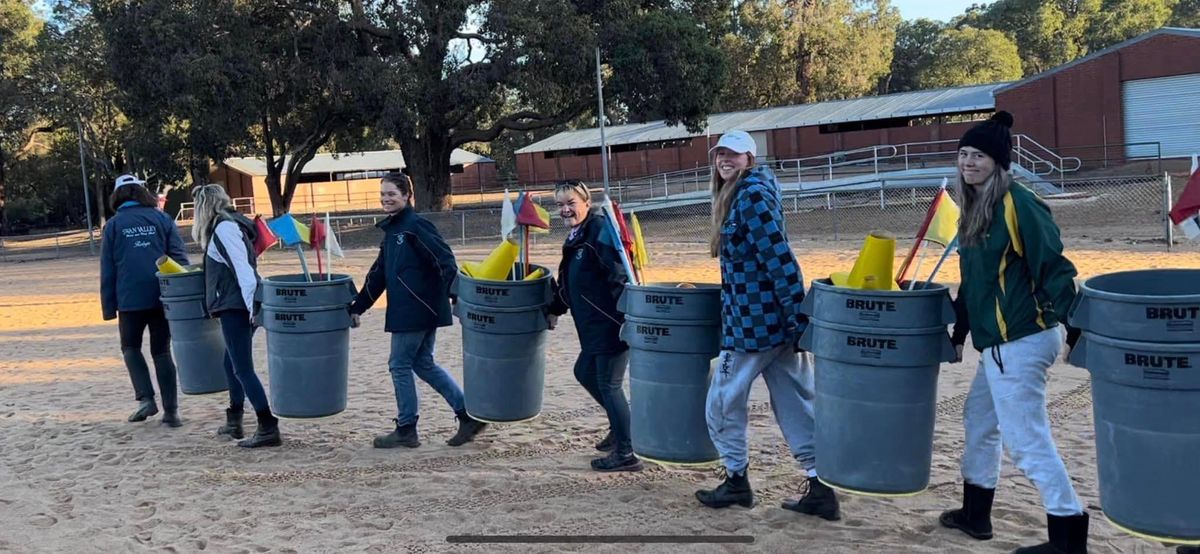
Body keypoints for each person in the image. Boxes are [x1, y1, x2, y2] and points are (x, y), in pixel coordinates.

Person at [940, 111, 1088, 553]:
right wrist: (961, 330)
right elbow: (975, 281)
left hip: (1020, 341)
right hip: (998, 344)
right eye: (964, 154)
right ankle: (975, 514)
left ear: (999, 162)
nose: (969, 163)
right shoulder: (974, 206)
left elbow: (1053, 266)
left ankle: (1068, 534)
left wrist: (1077, 323)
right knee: (980, 419)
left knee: (1026, 440)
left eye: (979, 156)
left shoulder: (1019, 203)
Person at [694, 130, 839, 521]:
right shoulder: (747, 192)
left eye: (734, 155)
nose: (725, 160)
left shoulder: (752, 196)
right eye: (721, 154)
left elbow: (780, 259)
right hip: (770, 323)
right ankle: (820, 485)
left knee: (722, 402)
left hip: (753, 326)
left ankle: (737, 481)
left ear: (749, 160)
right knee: (796, 403)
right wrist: (793, 321)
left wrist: (797, 316)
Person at [348, 173, 487, 448]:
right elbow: (379, 274)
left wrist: (456, 294)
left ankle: (406, 428)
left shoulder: (415, 226)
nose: (386, 199)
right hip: (409, 308)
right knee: (423, 363)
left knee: (399, 364)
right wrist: (359, 306)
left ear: (406, 196)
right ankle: (467, 415)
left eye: (392, 194)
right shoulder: (393, 231)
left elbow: (444, 258)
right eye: (383, 194)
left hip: (418, 308)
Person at [546, 181, 641, 472]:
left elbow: (619, 273)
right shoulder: (576, 237)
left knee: (608, 384)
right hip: (590, 325)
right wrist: (555, 308)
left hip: (610, 322)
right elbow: (569, 283)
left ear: (586, 202)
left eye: (571, 202)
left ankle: (626, 451)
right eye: (560, 204)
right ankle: (620, 425)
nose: (565, 209)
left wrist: (627, 318)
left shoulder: (598, 230)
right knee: (584, 372)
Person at [191, 184, 280, 448]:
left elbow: (242, 269)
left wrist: (253, 306)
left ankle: (267, 425)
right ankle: (235, 419)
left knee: (241, 367)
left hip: (237, 305)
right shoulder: (230, 226)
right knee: (230, 363)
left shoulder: (224, 228)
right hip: (238, 303)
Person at [100, 174, 188, 427]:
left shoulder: (114, 226)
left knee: (130, 348)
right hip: (163, 295)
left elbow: (108, 269)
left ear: (117, 196)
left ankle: (146, 399)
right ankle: (171, 411)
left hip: (129, 299)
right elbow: (180, 257)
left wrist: (108, 307)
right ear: (142, 193)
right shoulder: (162, 218)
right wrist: (183, 294)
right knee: (161, 352)